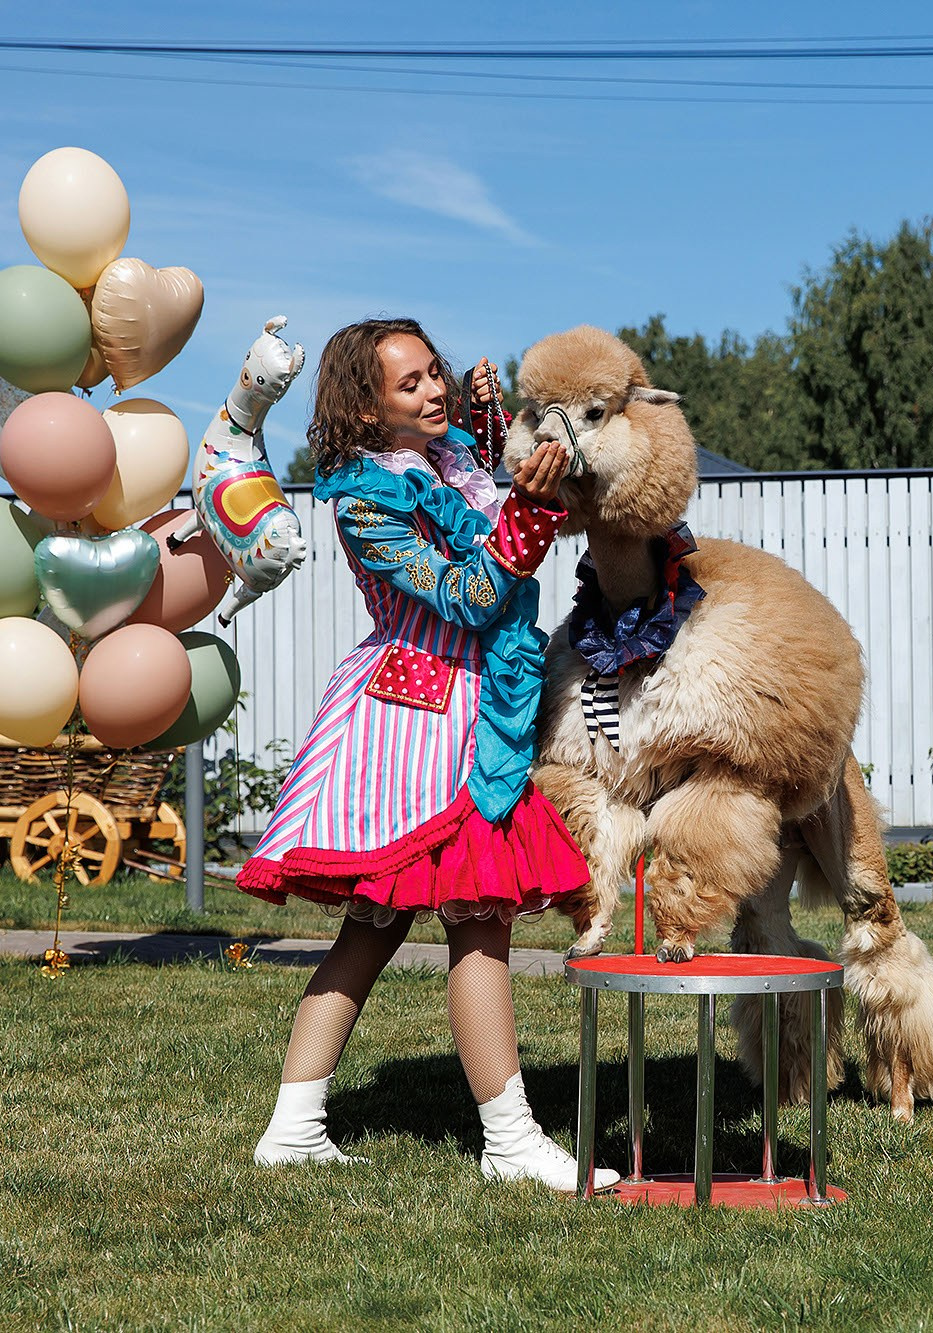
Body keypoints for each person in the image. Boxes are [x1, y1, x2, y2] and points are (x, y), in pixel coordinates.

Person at [237, 316, 617, 1189]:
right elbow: (471, 594)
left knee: (372, 931)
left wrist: (506, 457)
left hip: (468, 709)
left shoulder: (454, 463)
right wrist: (522, 506)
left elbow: (497, 510)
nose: (433, 388)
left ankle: (293, 1126)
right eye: (409, 384)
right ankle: (510, 1140)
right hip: (412, 734)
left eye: (434, 372)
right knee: (475, 921)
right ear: (367, 407)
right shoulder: (369, 499)